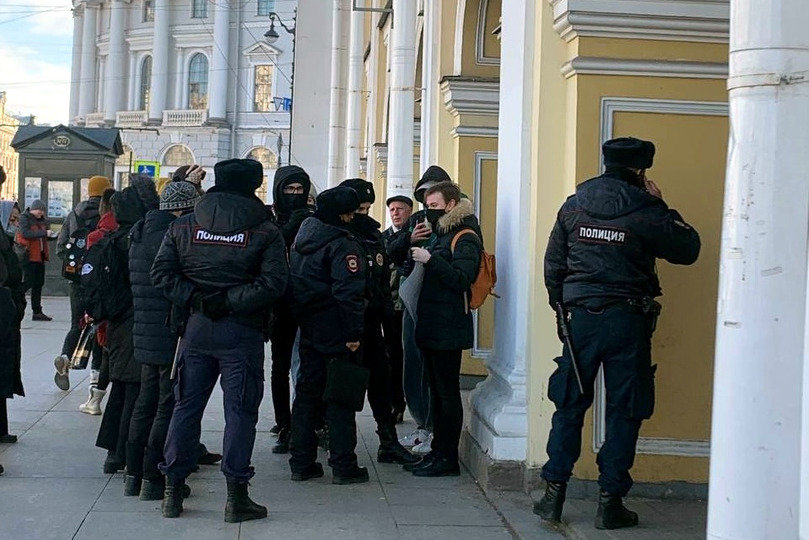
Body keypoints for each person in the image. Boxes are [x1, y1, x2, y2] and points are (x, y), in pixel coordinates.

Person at [536, 137, 701, 529]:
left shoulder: (573, 205)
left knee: (569, 404)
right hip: (628, 320)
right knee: (625, 410)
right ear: (641, 171)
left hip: (581, 320)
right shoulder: (645, 209)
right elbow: (688, 247)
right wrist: (661, 203)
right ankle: (610, 504)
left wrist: (564, 313)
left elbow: (553, 266)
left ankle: (552, 495)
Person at [152, 158, 288, 522]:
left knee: (185, 407)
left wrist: (198, 299)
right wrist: (228, 301)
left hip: (195, 327)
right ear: (253, 186)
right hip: (241, 332)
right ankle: (235, 496)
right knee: (240, 413)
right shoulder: (264, 229)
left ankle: (173, 490)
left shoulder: (186, 224)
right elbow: (274, 283)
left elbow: (161, 273)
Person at [124, 180, 202, 499]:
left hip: (143, 329)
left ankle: (133, 474)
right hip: (168, 330)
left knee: (145, 403)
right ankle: (154, 478)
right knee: (167, 406)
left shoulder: (140, 231)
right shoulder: (172, 235)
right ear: (182, 210)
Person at [287, 186, 368, 485]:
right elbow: (348, 292)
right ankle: (344, 464)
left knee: (307, 396)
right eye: (352, 212)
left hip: (309, 326)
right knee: (341, 398)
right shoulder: (342, 245)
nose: (354, 217)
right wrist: (354, 332)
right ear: (342, 215)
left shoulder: (303, 238)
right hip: (337, 329)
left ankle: (301, 461)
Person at [404, 181, 482, 477]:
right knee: (436, 392)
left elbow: (462, 278)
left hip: (448, 327)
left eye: (434, 206)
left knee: (447, 394)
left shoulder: (465, 236)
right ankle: (437, 451)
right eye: (427, 206)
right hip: (432, 324)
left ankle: (447, 457)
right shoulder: (440, 232)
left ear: (451, 205)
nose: (429, 212)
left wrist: (430, 259)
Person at [339, 179, 417, 465]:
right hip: (345, 325)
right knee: (344, 390)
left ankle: (388, 441)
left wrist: (384, 315)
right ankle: (341, 451)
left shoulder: (373, 236)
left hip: (372, 323)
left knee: (381, 383)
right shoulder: (335, 234)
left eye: (368, 207)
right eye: (359, 208)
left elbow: (382, 279)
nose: (363, 213)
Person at [93, 175, 160, 474]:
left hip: (117, 320)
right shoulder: (136, 240)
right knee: (136, 390)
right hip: (137, 318)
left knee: (121, 387)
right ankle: (124, 453)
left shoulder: (112, 239)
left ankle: (112, 451)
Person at [386, 165, 453, 454]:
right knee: (412, 363)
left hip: (441, 304)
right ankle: (422, 424)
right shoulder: (416, 221)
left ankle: (435, 431)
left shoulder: (460, 222)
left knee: (437, 374)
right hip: (413, 299)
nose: (429, 204)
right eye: (425, 198)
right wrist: (409, 239)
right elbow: (392, 251)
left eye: (434, 198)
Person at [267, 165, 314, 454]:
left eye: (299, 190)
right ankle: (284, 423)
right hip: (279, 304)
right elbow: (269, 249)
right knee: (280, 366)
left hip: (308, 301)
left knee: (308, 365)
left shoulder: (311, 217)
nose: (295, 195)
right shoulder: (269, 218)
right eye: (289, 190)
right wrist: (288, 228)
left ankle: (307, 420)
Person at [54, 175, 111, 390]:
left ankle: (65, 358)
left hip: (76, 280)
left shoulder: (74, 214)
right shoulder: (107, 215)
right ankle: (95, 375)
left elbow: (61, 248)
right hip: (99, 281)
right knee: (98, 324)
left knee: (76, 323)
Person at [78, 188, 117, 415]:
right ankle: (96, 397)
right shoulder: (129, 232)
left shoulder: (96, 236)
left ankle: (95, 397)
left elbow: (90, 276)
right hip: (124, 303)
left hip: (103, 303)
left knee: (103, 350)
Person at [382, 194, 413, 423]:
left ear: (410, 211)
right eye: (392, 209)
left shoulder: (416, 237)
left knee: (408, 356)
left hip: (409, 305)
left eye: (400, 209)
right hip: (389, 305)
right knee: (392, 356)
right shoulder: (383, 238)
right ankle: (395, 402)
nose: (396, 213)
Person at [0, 183, 26, 451]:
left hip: (7, 312)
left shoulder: (6, 242)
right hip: (3, 308)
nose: (16, 224)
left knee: (3, 370)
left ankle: (2, 427)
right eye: (14, 219)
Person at [18, 199, 56, 321]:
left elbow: (42, 236)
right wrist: (44, 233)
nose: (41, 213)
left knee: (38, 284)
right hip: (29, 256)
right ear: (34, 209)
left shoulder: (42, 221)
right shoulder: (24, 218)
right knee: (29, 282)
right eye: (40, 211)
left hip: (40, 256)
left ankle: (37, 311)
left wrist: (52, 236)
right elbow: (25, 233)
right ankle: (16, 297)